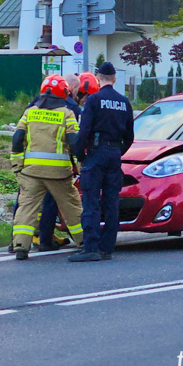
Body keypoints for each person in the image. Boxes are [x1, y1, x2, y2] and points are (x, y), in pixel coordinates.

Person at [10, 75, 84, 260]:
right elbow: (75, 142)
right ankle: (85, 241)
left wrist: (17, 166)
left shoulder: (30, 112)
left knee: (26, 209)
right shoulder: (67, 113)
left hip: (32, 172)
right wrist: (81, 166)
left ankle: (20, 246)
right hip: (59, 174)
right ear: (64, 93)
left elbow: (17, 139)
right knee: (72, 208)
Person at [69, 62, 134, 262]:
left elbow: (84, 130)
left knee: (90, 201)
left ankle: (90, 248)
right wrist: (117, 150)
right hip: (114, 154)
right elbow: (130, 136)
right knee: (111, 202)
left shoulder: (94, 100)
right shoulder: (124, 102)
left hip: (96, 154)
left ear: (98, 79)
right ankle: (107, 248)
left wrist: (80, 156)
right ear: (114, 79)